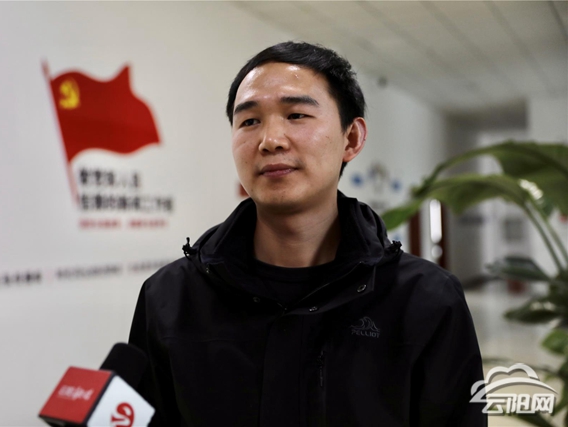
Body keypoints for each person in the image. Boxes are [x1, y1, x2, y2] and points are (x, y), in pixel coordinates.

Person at [129, 41, 486, 426]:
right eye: (249, 121)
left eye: (296, 114)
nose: (270, 140)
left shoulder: (426, 300)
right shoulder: (169, 298)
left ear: (352, 139)